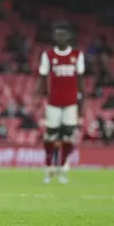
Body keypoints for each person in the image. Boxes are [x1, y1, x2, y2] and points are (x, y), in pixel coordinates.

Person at [35, 23, 85, 184]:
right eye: (58, 35)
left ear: (68, 37)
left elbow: (81, 79)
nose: (61, 38)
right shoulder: (48, 55)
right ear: (54, 37)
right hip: (53, 103)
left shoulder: (77, 55)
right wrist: (39, 95)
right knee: (50, 135)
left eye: (63, 35)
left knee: (68, 137)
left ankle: (62, 167)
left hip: (71, 103)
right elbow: (43, 77)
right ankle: (49, 167)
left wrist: (82, 103)